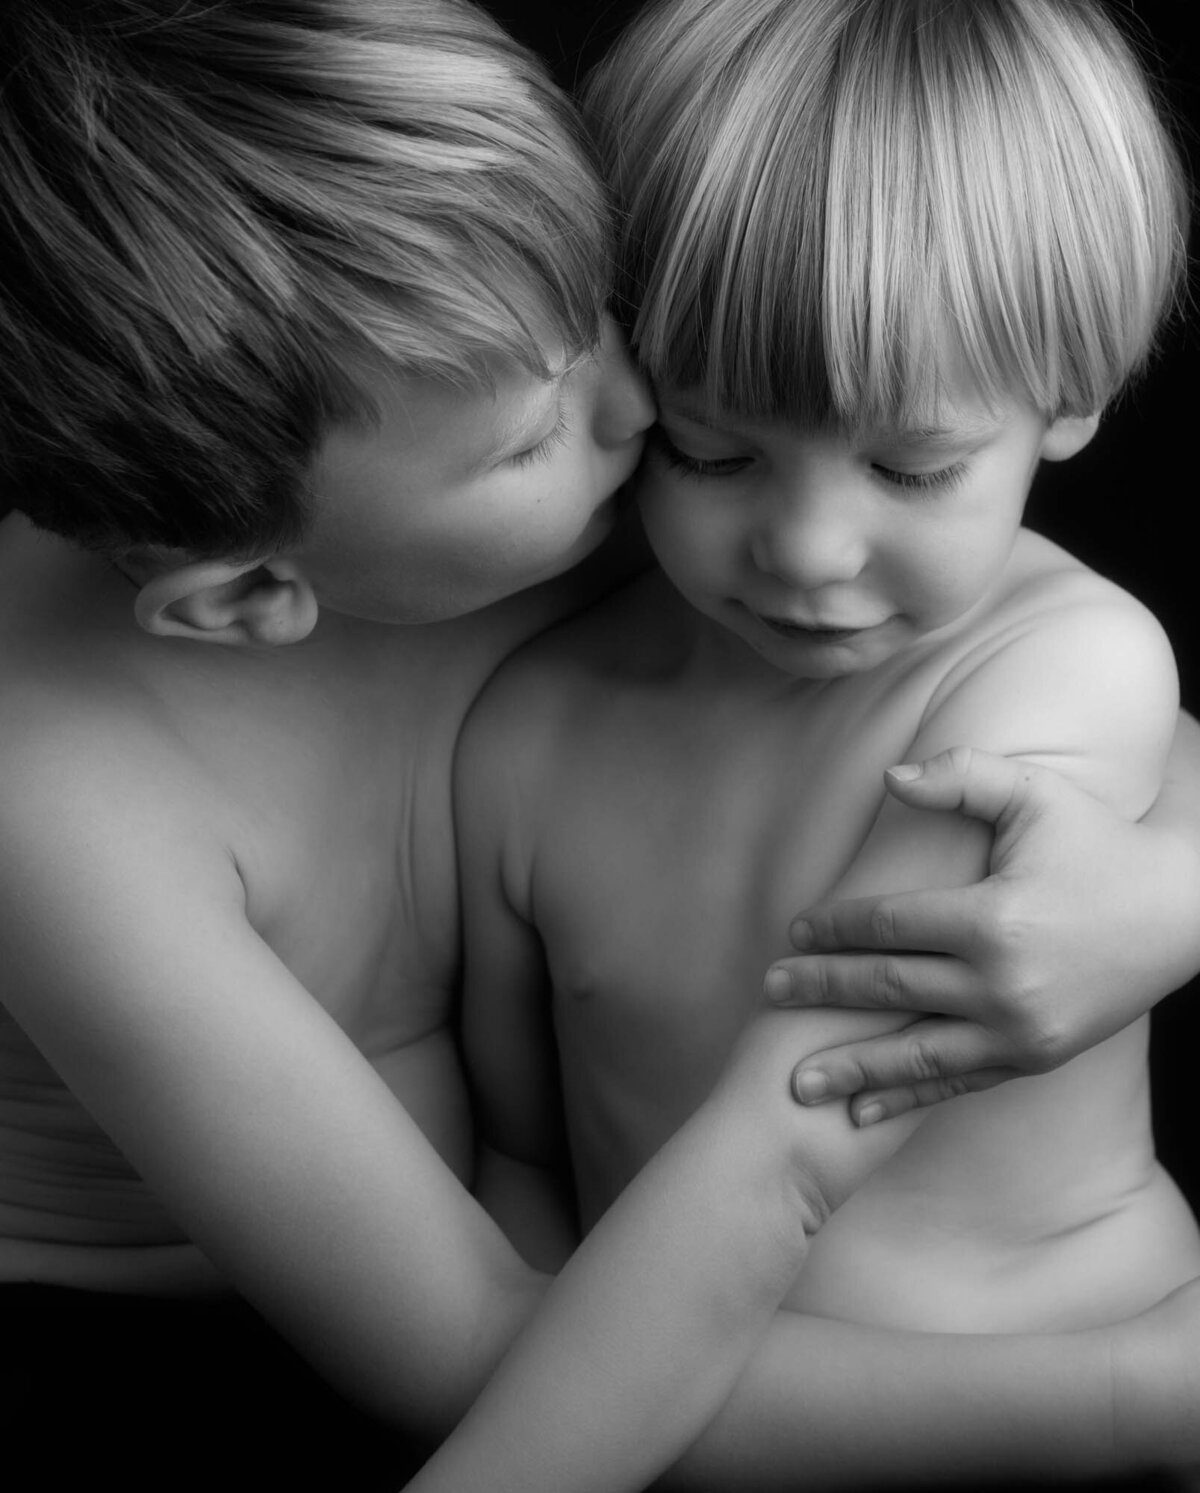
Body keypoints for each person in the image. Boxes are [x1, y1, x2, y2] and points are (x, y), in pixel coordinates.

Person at [1, 2, 1199, 1490]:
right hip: (242, 1334)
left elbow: (1066, 694)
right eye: (543, 429)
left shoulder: (536, 417)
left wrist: (1174, 891)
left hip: (642, 1314)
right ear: (253, 593)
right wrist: (1138, 1398)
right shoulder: (61, 790)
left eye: (602, 315)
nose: (643, 405)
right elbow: (471, 1345)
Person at [448, 0, 1200, 1485]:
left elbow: (786, 1149)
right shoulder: (525, 733)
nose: (803, 548)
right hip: (693, 1420)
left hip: (1090, 1405)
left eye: (912, 466)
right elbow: (525, 1160)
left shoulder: (1062, 665)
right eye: (710, 447)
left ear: (1073, 394)